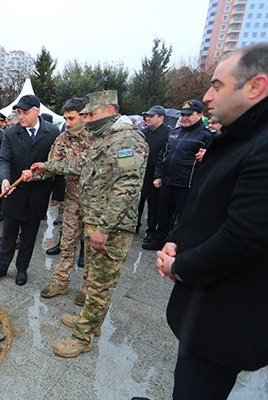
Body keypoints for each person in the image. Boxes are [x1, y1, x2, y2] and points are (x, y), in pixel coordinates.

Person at [156, 42, 268, 399]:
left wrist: (180, 265)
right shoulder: (240, 136)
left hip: (227, 319)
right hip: (206, 309)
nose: (206, 96)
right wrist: (178, 236)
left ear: (255, 87)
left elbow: (244, 237)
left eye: (217, 85)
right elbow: (207, 203)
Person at [26, 90, 147, 357]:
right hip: (95, 219)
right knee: (95, 280)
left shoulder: (127, 140)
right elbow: (79, 162)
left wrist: (104, 227)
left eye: (91, 114)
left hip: (111, 227)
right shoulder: (106, 139)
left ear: (109, 111)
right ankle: (93, 323)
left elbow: (127, 186)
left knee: (101, 283)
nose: (87, 119)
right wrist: (45, 166)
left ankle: (82, 337)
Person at [0, 95, 59, 286]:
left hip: (38, 195)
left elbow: (57, 165)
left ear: (37, 111)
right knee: (8, 235)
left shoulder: (52, 132)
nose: (21, 116)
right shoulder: (10, 133)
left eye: (25, 112)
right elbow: (3, 160)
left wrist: (58, 194)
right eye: (18, 112)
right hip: (13, 192)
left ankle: (22, 269)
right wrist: (5, 179)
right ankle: (1, 267)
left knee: (29, 235)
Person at [39, 98, 92, 306]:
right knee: (67, 243)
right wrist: (32, 174)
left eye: (71, 118)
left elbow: (85, 168)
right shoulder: (63, 139)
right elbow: (51, 166)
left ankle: (88, 289)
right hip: (72, 202)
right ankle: (60, 282)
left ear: (84, 116)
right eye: (65, 119)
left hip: (95, 205)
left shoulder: (98, 138)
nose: (67, 123)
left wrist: (48, 167)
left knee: (91, 248)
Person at [145, 99, 213, 250]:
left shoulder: (206, 136)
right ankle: (159, 241)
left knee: (185, 218)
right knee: (163, 215)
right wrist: (158, 175)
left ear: (200, 114)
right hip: (167, 182)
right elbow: (163, 155)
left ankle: (182, 245)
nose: (185, 117)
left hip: (187, 185)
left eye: (189, 114)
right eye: (183, 114)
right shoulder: (174, 133)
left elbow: (211, 162)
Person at [138, 105, 171, 246]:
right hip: (141, 173)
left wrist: (159, 175)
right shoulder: (144, 132)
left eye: (151, 116)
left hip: (155, 175)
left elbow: (165, 156)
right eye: (147, 116)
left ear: (161, 118)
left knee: (153, 205)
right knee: (137, 201)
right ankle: (135, 224)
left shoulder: (168, 133)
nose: (147, 118)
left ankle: (151, 231)